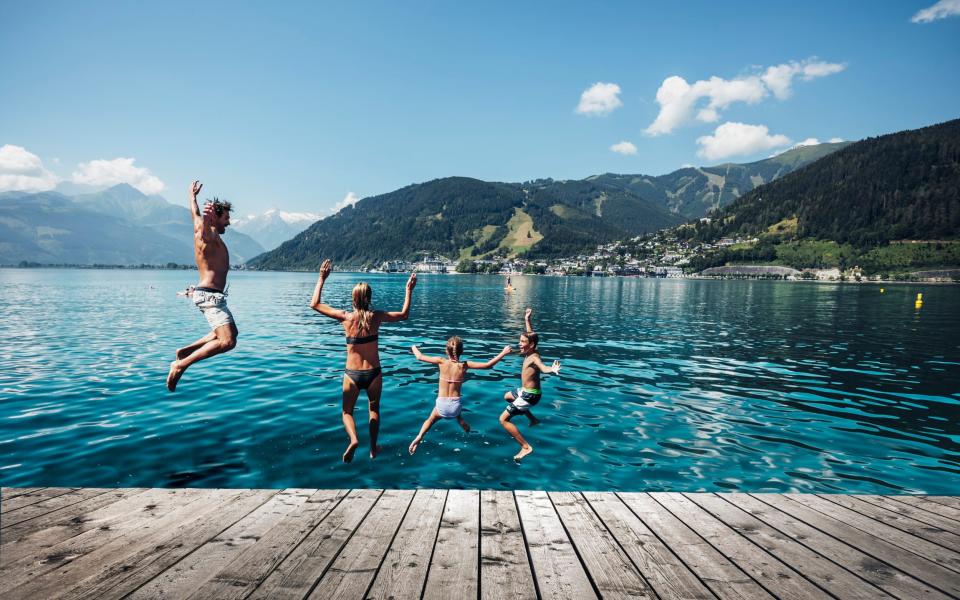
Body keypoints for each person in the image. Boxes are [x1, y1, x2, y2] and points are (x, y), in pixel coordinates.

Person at [310, 259, 417, 462]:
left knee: (346, 411)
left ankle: (353, 439)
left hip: (352, 374)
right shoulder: (376, 317)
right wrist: (408, 289)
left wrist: (321, 278)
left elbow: (314, 304)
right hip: (373, 373)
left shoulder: (345, 317)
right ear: (369, 299)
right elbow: (404, 315)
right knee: (374, 409)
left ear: (353, 299)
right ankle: (373, 447)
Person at [166, 181, 237, 392]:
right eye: (226, 218)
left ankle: (184, 352)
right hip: (209, 297)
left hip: (211, 295)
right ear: (215, 217)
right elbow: (205, 232)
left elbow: (194, 214)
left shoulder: (200, 225)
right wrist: (208, 219)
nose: (229, 223)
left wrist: (192, 196)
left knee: (231, 332)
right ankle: (180, 365)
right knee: (227, 342)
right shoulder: (209, 234)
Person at [408, 338, 512, 455]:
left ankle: (419, 436)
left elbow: (419, 357)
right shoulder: (464, 365)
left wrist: (413, 347)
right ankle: (460, 420)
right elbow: (488, 365)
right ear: (461, 351)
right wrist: (503, 352)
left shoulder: (441, 361)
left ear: (446, 351)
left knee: (431, 420)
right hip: (455, 405)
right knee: (455, 409)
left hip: (441, 405)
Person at [500, 307, 560, 461]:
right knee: (507, 396)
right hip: (525, 391)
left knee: (503, 419)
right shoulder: (531, 351)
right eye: (520, 341)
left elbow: (543, 367)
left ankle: (525, 447)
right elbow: (530, 335)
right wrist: (527, 319)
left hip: (530, 396)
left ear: (531, 345)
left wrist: (551, 369)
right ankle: (533, 419)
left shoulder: (534, 357)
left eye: (522, 342)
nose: (519, 344)